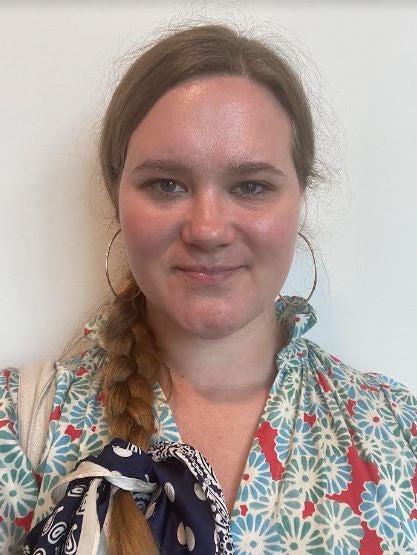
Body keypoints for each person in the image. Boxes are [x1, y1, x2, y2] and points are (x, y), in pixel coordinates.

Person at [1, 23, 417, 555]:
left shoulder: (396, 433)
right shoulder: (16, 427)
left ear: (299, 199)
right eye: (166, 184)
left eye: (251, 186)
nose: (208, 230)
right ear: (117, 196)